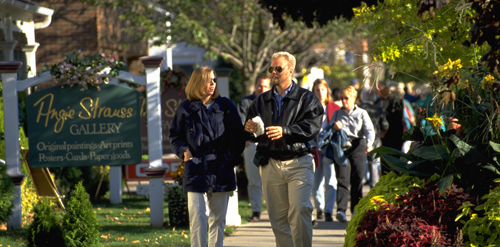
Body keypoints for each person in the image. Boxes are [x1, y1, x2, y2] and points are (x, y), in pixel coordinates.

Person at [244, 51, 323, 247]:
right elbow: (252, 133)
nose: (273, 72)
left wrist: (285, 131)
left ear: (290, 70)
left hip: (299, 162)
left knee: (299, 210)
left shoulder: (308, 99)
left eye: (278, 68)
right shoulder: (260, 101)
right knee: (278, 220)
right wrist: (249, 130)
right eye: (271, 68)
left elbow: (312, 127)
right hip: (270, 165)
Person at [169, 66, 245, 247]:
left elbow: (237, 136)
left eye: (214, 80)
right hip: (195, 169)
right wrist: (184, 152)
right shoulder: (185, 108)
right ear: (197, 82)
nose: (212, 83)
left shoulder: (225, 105)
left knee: (217, 221)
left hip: (222, 169)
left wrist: (228, 159)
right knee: (197, 218)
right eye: (208, 80)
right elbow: (175, 136)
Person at [332, 86, 375, 222]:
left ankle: (356, 209)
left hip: (358, 146)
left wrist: (369, 143)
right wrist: (334, 127)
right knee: (342, 179)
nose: (344, 101)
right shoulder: (337, 114)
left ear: (354, 98)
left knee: (357, 180)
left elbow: (370, 130)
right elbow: (328, 130)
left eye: (346, 98)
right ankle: (341, 210)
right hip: (342, 147)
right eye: (341, 98)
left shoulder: (362, 113)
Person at [237, 74, 271, 222]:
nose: (262, 88)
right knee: (254, 180)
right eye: (259, 85)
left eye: (265, 86)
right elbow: (241, 123)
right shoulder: (245, 102)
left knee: (272, 180)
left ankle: (274, 212)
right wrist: (244, 138)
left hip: (271, 144)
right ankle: (256, 211)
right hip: (252, 144)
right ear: (255, 85)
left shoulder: (273, 102)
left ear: (269, 87)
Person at [311, 78, 340, 222]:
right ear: (313, 91)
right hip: (315, 149)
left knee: (330, 181)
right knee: (316, 183)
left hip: (329, 148)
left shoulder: (334, 107)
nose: (320, 93)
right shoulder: (309, 107)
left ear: (327, 90)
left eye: (323, 89)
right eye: (317, 90)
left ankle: (329, 211)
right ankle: (320, 208)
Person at [358, 87, 389, 188]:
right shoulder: (378, 109)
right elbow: (385, 125)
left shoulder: (358, 108)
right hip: (375, 141)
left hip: (360, 141)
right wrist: (381, 135)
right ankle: (373, 191)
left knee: (359, 167)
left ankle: (358, 191)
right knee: (374, 165)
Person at [375, 80, 405, 173]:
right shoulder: (379, 102)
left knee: (390, 164)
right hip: (388, 137)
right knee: (389, 164)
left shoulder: (393, 101)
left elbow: (396, 119)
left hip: (390, 136)